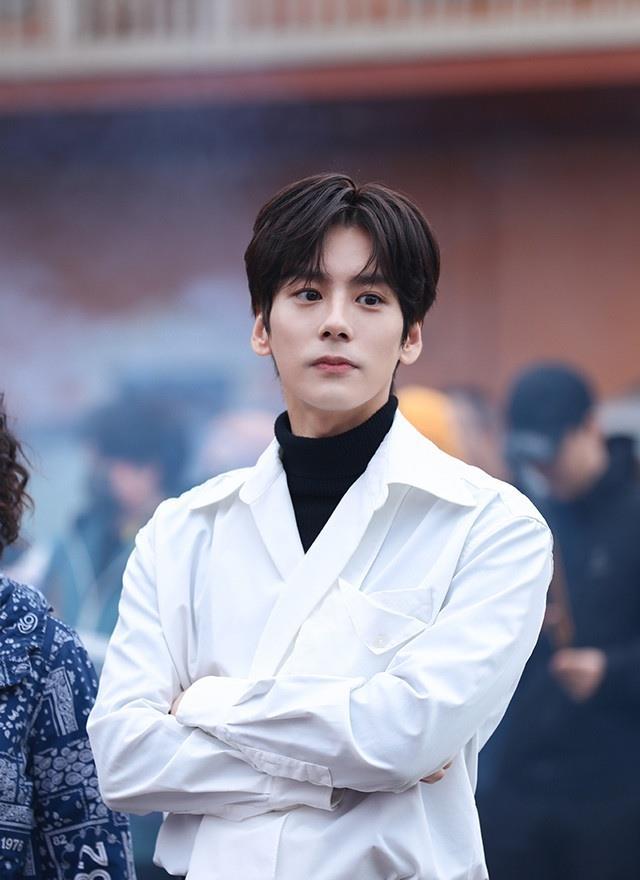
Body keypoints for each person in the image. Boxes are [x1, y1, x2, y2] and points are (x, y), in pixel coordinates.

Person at [88, 173, 553, 880]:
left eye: (370, 298)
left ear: (411, 335)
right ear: (261, 326)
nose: (336, 322)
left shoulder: (492, 526)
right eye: (308, 294)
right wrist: (339, 768)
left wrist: (206, 703)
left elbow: (404, 738)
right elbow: (124, 760)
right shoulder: (183, 531)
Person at [480, 362, 640, 879]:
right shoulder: (524, 520)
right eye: (532, 459)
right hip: (522, 788)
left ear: (590, 426)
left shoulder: (633, 517)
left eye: (553, 454)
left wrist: (610, 671)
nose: (544, 471)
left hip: (615, 796)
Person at [0, 394, 135, 879]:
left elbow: (86, 842)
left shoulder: (37, 646)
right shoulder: (76, 543)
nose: (117, 475)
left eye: (132, 461)